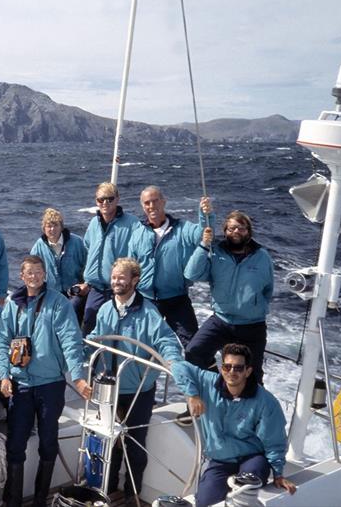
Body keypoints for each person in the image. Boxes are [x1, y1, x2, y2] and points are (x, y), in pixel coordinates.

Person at [0, 255, 91, 507]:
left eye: (39, 272)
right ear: (22, 276)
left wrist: (79, 378)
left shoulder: (59, 303)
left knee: (48, 442)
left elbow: (71, 342)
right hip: (21, 385)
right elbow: (2, 340)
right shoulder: (12, 304)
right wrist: (4, 375)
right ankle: (13, 501)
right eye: (29, 273)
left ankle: (40, 500)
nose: (34, 277)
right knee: (16, 444)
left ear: (45, 275)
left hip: (50, 384)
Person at [87, 258, 183, 500]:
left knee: (135, 446)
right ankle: (105, 492)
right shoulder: (106, 309)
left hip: (138, 389)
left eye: (122, 277)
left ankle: (132, 495)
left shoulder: (149, 312)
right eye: (114, 277)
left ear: (134, 280)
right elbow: (96, 338)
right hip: (109, 386)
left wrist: (172, 360)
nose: (116, 282)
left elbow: (166, 341)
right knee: (109, 441)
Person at [172, 344, 297, 507]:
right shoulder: (208, 382)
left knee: (245, 488)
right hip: (221, 460)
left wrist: (278, 474)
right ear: (221, 368)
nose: (232, 372)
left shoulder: (266, 402)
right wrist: (193, 395)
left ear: (248, 371)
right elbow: (178, 367)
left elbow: (274, 440)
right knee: (204, 502)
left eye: (238, 368)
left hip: (252, 457)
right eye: (227, 366)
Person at [184, 211, 274, 385]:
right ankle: (215, 389)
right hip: (221, 321)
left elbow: (268, 289)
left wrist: (253, 306)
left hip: (252, 325)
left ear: (249, 231)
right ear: (225, 231)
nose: (236, 232)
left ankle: (252, 410)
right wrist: (203, 245)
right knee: (194, 352)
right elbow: (191, 273)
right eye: (231, 228)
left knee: (252, 375)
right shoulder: (215, 253)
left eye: (241, 228)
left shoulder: (262, 257)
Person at [128, 186, 214, 347]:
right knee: (141, 347)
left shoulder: (182, 229)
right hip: (146, 300)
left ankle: (198, 372)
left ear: (164, 201)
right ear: (142, 206)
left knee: (193, 347)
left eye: (155, 201)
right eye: (147, 203)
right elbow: (131, 267)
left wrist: (205, 215)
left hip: (177, 300)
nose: (152, 206)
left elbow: (203, 233)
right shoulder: (138, 233)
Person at [82, 183, 140, 335]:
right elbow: (88, 246)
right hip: (96, 288)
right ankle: (90, 357)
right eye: (101, 200)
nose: (105, 203)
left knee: (119, 327)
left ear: (117, 200)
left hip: (119, 287)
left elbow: (139, 251)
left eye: (110, 199)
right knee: (89, 320)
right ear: (96, 201)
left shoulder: (132, 223)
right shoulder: (94, 223)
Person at [29, 207, 88, 325]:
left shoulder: (77, 242)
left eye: (55, 225)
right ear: (44, 228)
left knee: (72, 310)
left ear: (61, 226)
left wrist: (85, 284)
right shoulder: (38, 247)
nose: (52, 229)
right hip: (51, 293)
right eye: (49, 226)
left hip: (74, 292)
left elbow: (88, 264)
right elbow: (32, 271)